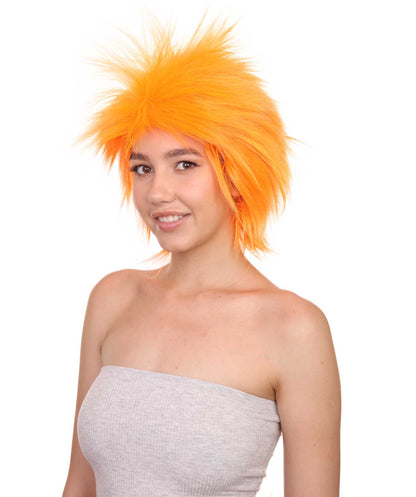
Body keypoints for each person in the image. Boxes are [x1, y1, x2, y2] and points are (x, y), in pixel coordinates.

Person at [62, 15, 341, 497]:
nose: (157, 192)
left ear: (239, 174)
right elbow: (79, 483)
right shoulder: (113, 297)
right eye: (142, 168)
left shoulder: (293, 328)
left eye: (185, 164)